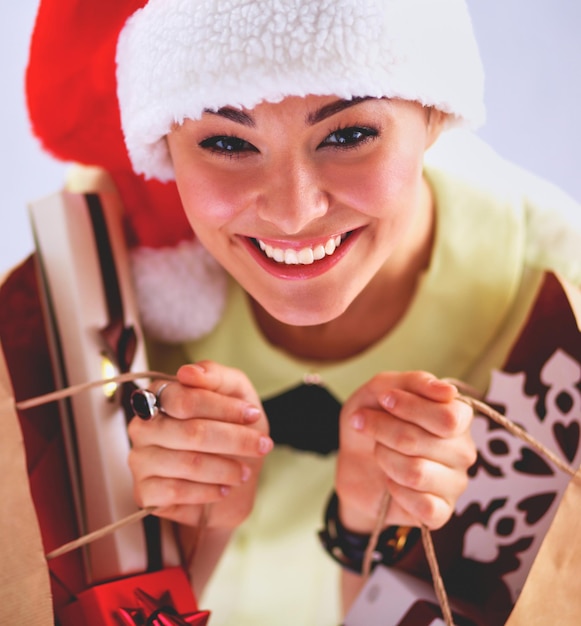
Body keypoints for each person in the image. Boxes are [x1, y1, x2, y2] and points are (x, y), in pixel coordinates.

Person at [22, 0, 581, 624]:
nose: (293, 212)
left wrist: (374, 544)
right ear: (165, 149)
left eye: (347, 135)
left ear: (434, 114)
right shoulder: (98, 283)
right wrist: (175, 556)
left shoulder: (562, 312)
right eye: (228, 141)